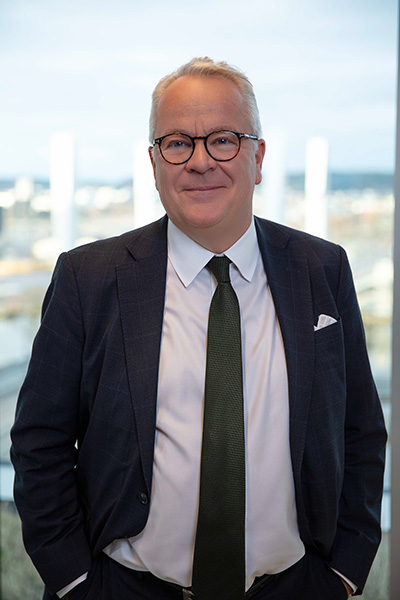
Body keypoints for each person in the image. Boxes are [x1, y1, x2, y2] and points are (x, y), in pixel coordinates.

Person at [11, 57, 387, 600]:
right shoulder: (87, 278)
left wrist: (344, 574)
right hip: (123, 588)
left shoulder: (322, 268)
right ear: (154, 163)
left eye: (224, 140)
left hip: (295, 586)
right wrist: (75, 581)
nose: (200, 161)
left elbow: (361, 430)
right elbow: (39, 442)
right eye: (178, 143)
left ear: (258, 157)